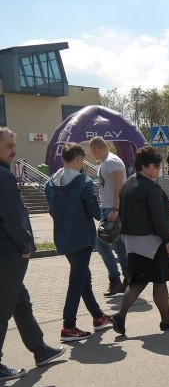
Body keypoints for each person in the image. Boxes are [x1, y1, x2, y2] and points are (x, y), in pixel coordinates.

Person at [0, 127, 65, 380]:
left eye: (15, 144)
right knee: (3, 308)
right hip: (8, 253)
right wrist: (26, 245)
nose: (14, 149)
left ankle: (40, 350)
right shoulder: (4, 177)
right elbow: (13, 217)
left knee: (20, 302)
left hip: (5, 253)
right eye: (8, 146)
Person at [111, 147, 169, 336]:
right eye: (155, 165)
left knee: (138, 280)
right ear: (144, 167)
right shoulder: (151, 188)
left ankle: (123, 317)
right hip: (152, 242)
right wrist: (168, 240)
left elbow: (122, 213)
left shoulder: (128, 184)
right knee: (158, 281)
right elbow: (158, 217)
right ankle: (165, 319)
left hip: (132, 241)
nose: (159, 168)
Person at [45, 143, 113, 342]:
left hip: (63, 238)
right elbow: (94, 211)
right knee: (77, 282)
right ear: (76, 159)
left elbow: (51, 211)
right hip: (82, 239)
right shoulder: (83, 181)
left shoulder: (50, 183)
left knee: (83, 279)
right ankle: (68, 326)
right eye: (82, 160)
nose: (83, 163)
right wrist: (107, 216)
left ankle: (98, 317)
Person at [90, 136, 129, 297]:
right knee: (120, 247)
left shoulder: (112, 162)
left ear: (95, 149)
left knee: (100, 244)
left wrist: (115, 209)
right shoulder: (105, 163)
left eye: (92, 151)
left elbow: (118, 186)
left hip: (112, 210)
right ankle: (127, 280)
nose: (92, 154)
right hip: (108, 209)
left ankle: (116, 280)